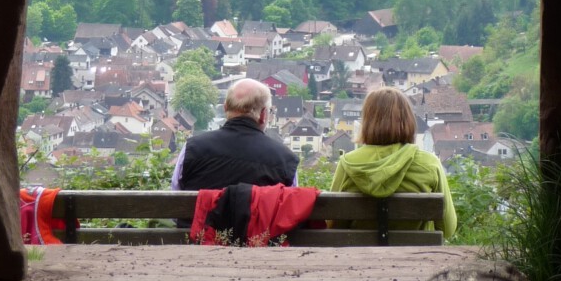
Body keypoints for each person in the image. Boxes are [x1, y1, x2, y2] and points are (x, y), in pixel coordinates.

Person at [330, 86, 457, 238]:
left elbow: (332, 223)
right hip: (415, 257)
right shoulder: (429, 164)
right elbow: (448, 229)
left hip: (359, 257)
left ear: (367, 122)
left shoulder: (348, 163)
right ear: (408, 120)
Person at [171, 77, 299, 191]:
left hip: (202, 218)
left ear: (225, 108)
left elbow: (176, 193)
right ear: (263, 114)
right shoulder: (286, 161)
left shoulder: (192, 148)